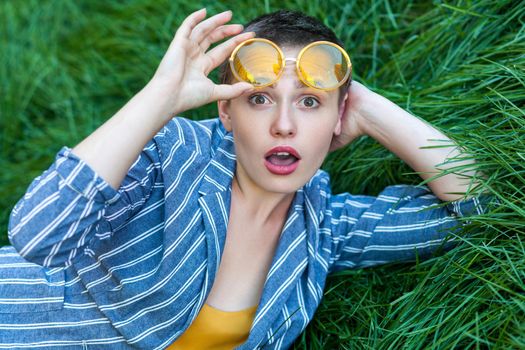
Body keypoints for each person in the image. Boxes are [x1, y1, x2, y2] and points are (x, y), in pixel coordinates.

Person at [0, 8, 493, 350]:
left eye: (309, 101)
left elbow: (478, 209)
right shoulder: (175, 157)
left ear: (337, 118)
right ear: (226, 111)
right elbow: (35, 236)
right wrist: (159, 98)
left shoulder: (321, 231)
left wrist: (369, 108)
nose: (284, 124)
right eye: (259, 98)